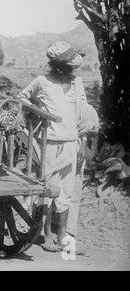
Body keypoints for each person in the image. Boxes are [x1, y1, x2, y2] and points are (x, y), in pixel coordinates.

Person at [17, 41, 88, 254]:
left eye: (72, 68)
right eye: (67, 67)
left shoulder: (77, 84)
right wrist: (38, 112)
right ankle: (47, 234)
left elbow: (83, 115)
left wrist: (82, 142)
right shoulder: (42, 81)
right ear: (57, 66)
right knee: (48, 189)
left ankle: (63, 236)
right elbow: (21, 98)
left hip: (70, 143)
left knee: (66, 191)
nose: (71, 71)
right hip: (48, 143)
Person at [67, 103, 99, 241]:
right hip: (60, 146)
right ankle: (47, 226)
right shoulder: (58, 103)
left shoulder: (87, 109)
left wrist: (89, 150)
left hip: (77, 147)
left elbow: (94, 132)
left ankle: (69, 231)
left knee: (74, 188)